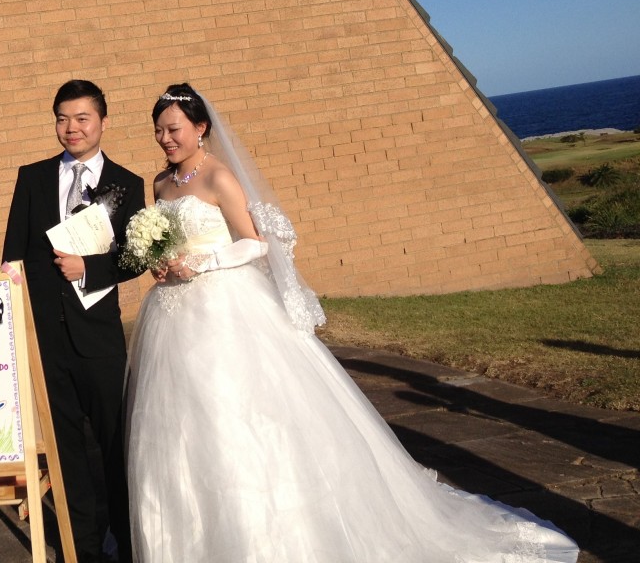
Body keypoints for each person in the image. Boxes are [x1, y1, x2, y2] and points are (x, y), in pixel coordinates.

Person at [125, 83, 580, 562]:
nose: (165, 139)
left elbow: (256, 243)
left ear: (200, 128)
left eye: (173, 129)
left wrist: (205, 263)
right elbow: (168, 242)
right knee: (180, 424)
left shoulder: (219, 177)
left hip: (226, 310)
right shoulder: (160, 184)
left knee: (238, 414)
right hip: (173, 316)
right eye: (158, 130)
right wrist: (163, 260)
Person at [2, 79, 145, 563]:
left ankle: (127, 540)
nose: (71, 128)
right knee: (64, 456)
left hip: (100, 340)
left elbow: (135, 257)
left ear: (102, 121)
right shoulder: (32, 178)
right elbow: (13, 258)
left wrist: (91, 268)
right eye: (62, 118)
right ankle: (80, 547)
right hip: (47, 340)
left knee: (113, 447)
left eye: (82, 118)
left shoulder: (127, 185)